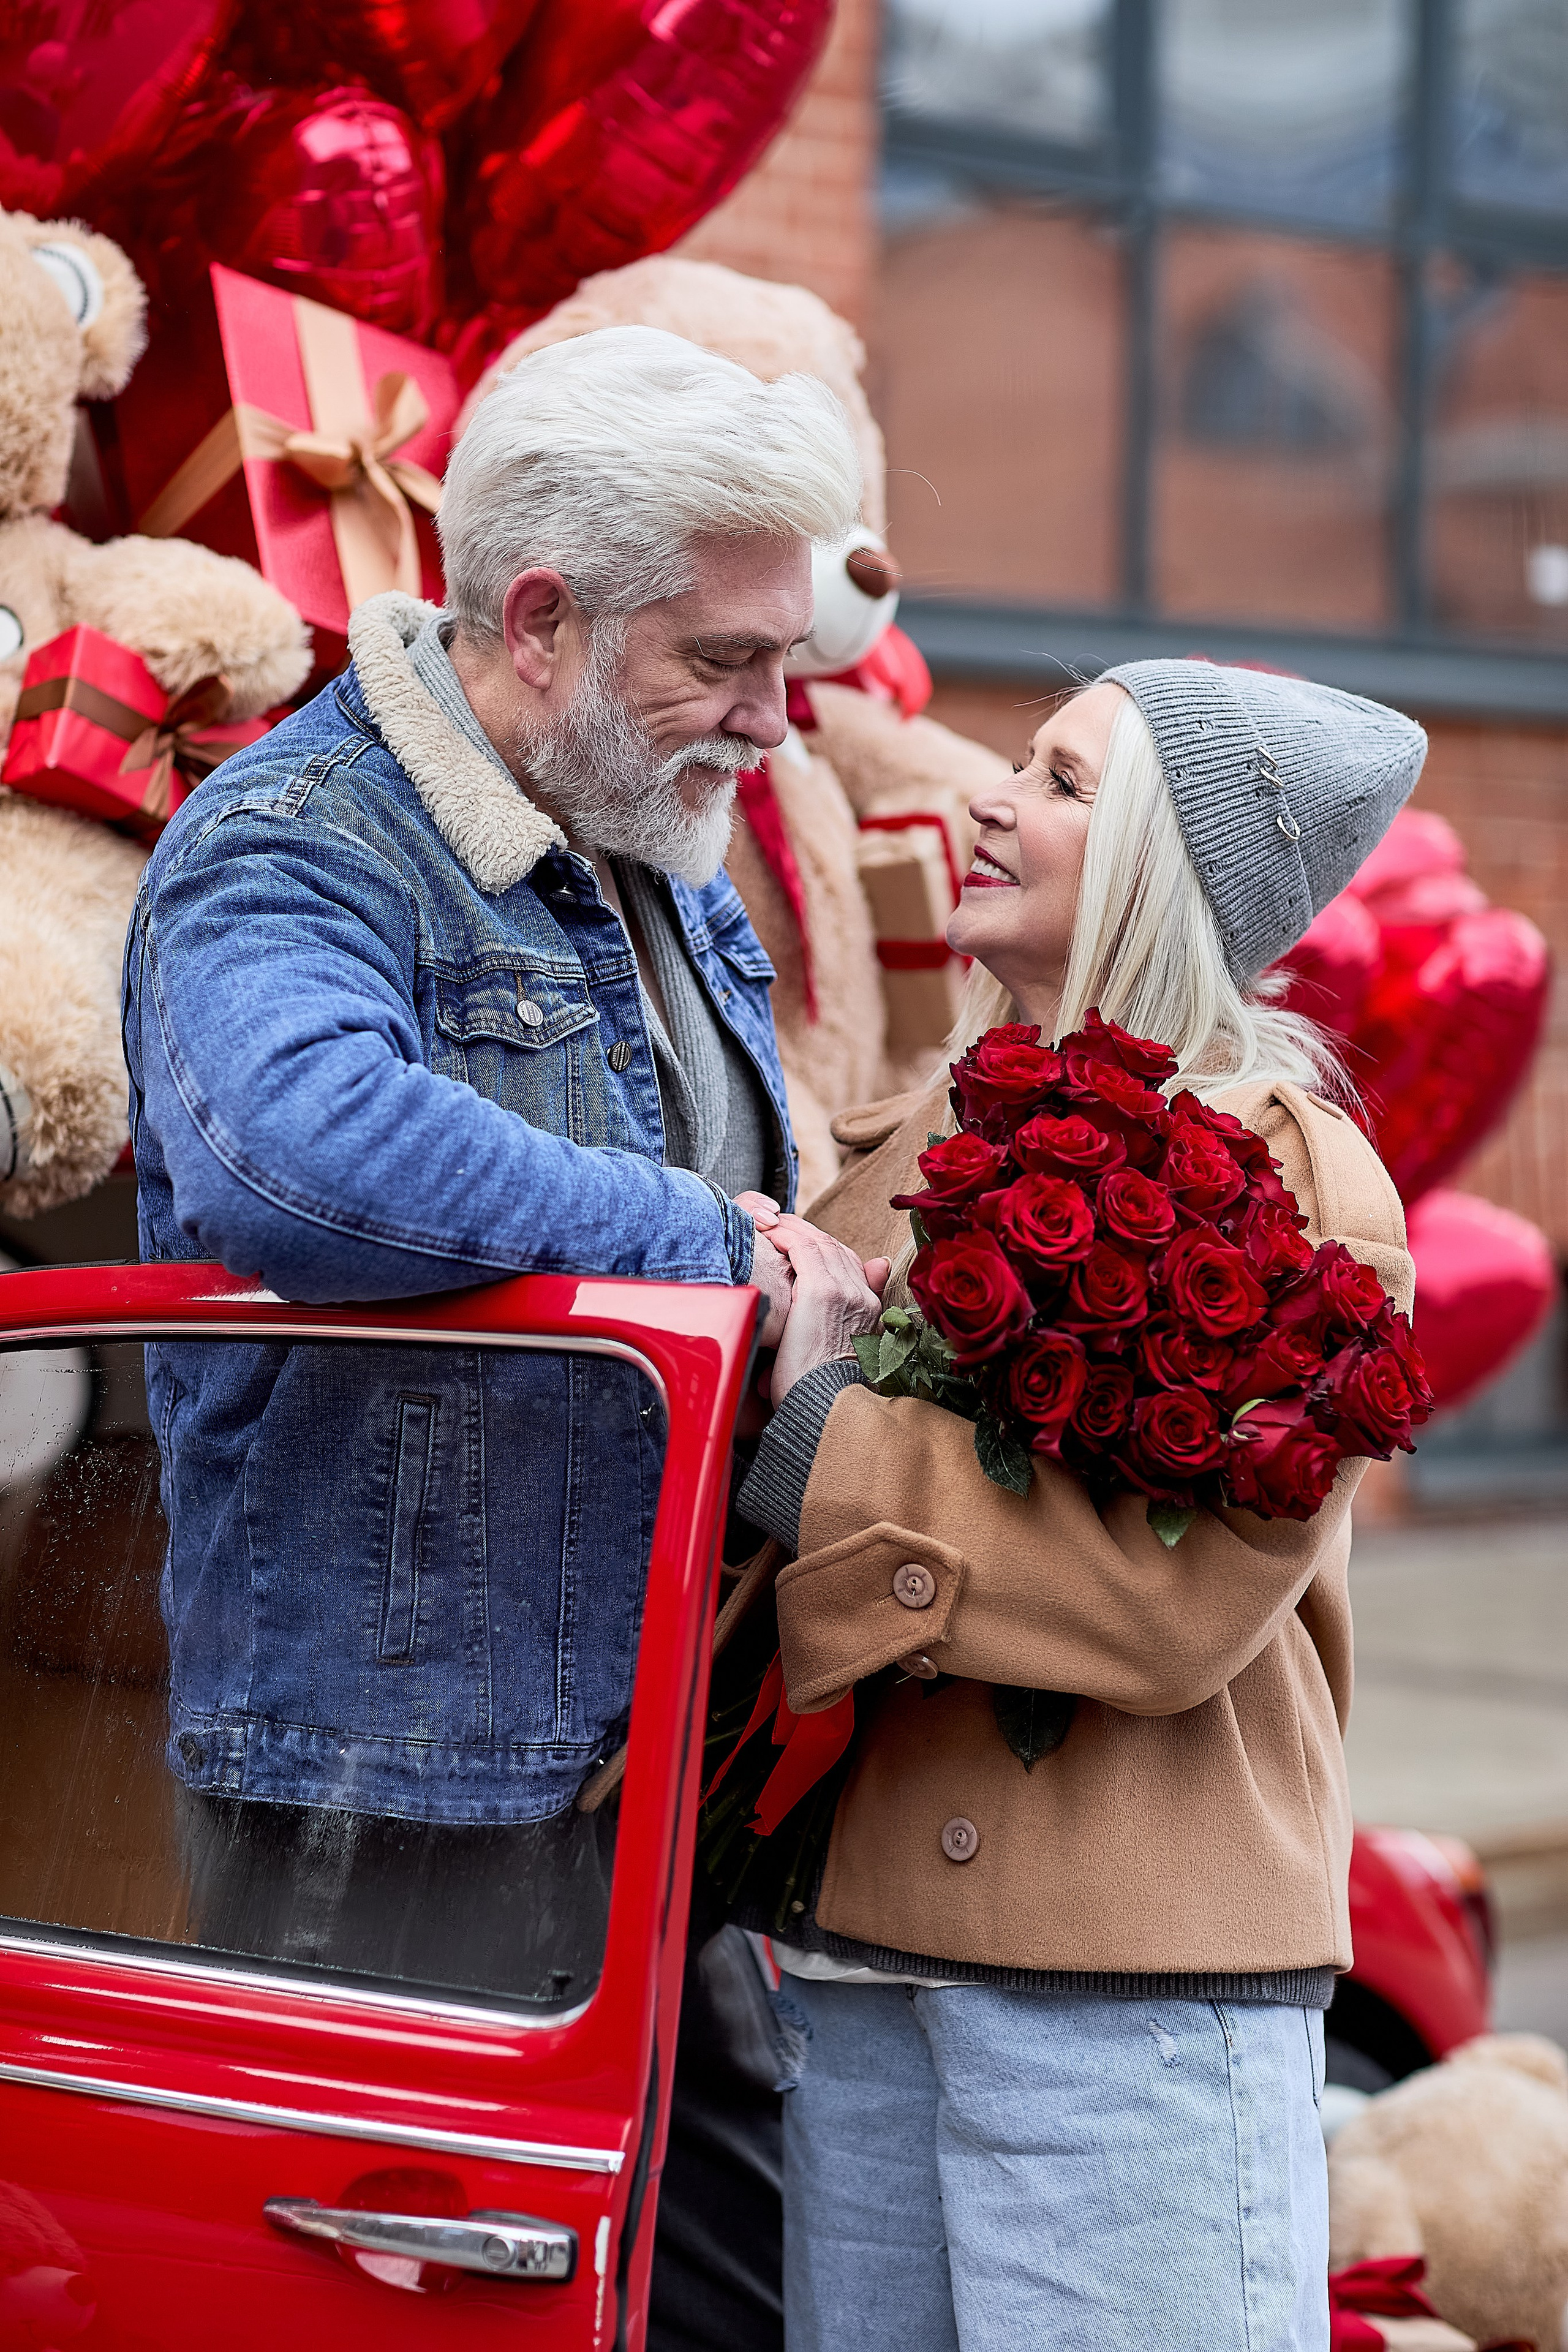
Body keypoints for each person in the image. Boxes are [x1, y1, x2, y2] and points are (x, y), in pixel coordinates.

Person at [120, 323, 883, 2350]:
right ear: (541, 620)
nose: (777, 716)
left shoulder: (654, 839)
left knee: (734, 2301)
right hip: (402, 1791)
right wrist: (715, 1241)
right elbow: (301, 1157)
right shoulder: (295, 841)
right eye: (727, 658)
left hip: (667, 1768)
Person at [732, 662, 1428, 2352]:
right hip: (859, 1963)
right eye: (1018, 759)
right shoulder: (916, 1138)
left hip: (1133, 1998)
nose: (988, 794)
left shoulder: (1283, 1172)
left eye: (1058, 781)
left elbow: (1167, 1611)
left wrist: (815, 1431)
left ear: (1155, 870)